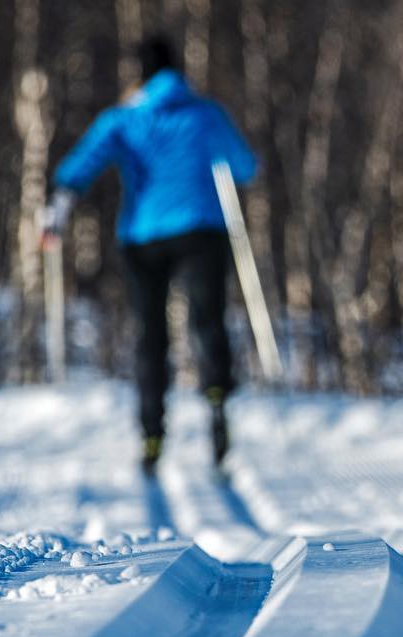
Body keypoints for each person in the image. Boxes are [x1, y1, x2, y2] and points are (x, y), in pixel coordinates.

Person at [41, 35, 257, 473]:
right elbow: (246, 166)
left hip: (143, 237)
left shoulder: (124, 119)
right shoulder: (205, 114)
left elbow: (79, 166)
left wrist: (57, 213)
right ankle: (216, 403)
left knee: (150, 335)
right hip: (202, 231)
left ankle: (152, 434)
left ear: (138, 73)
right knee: (208, 321)